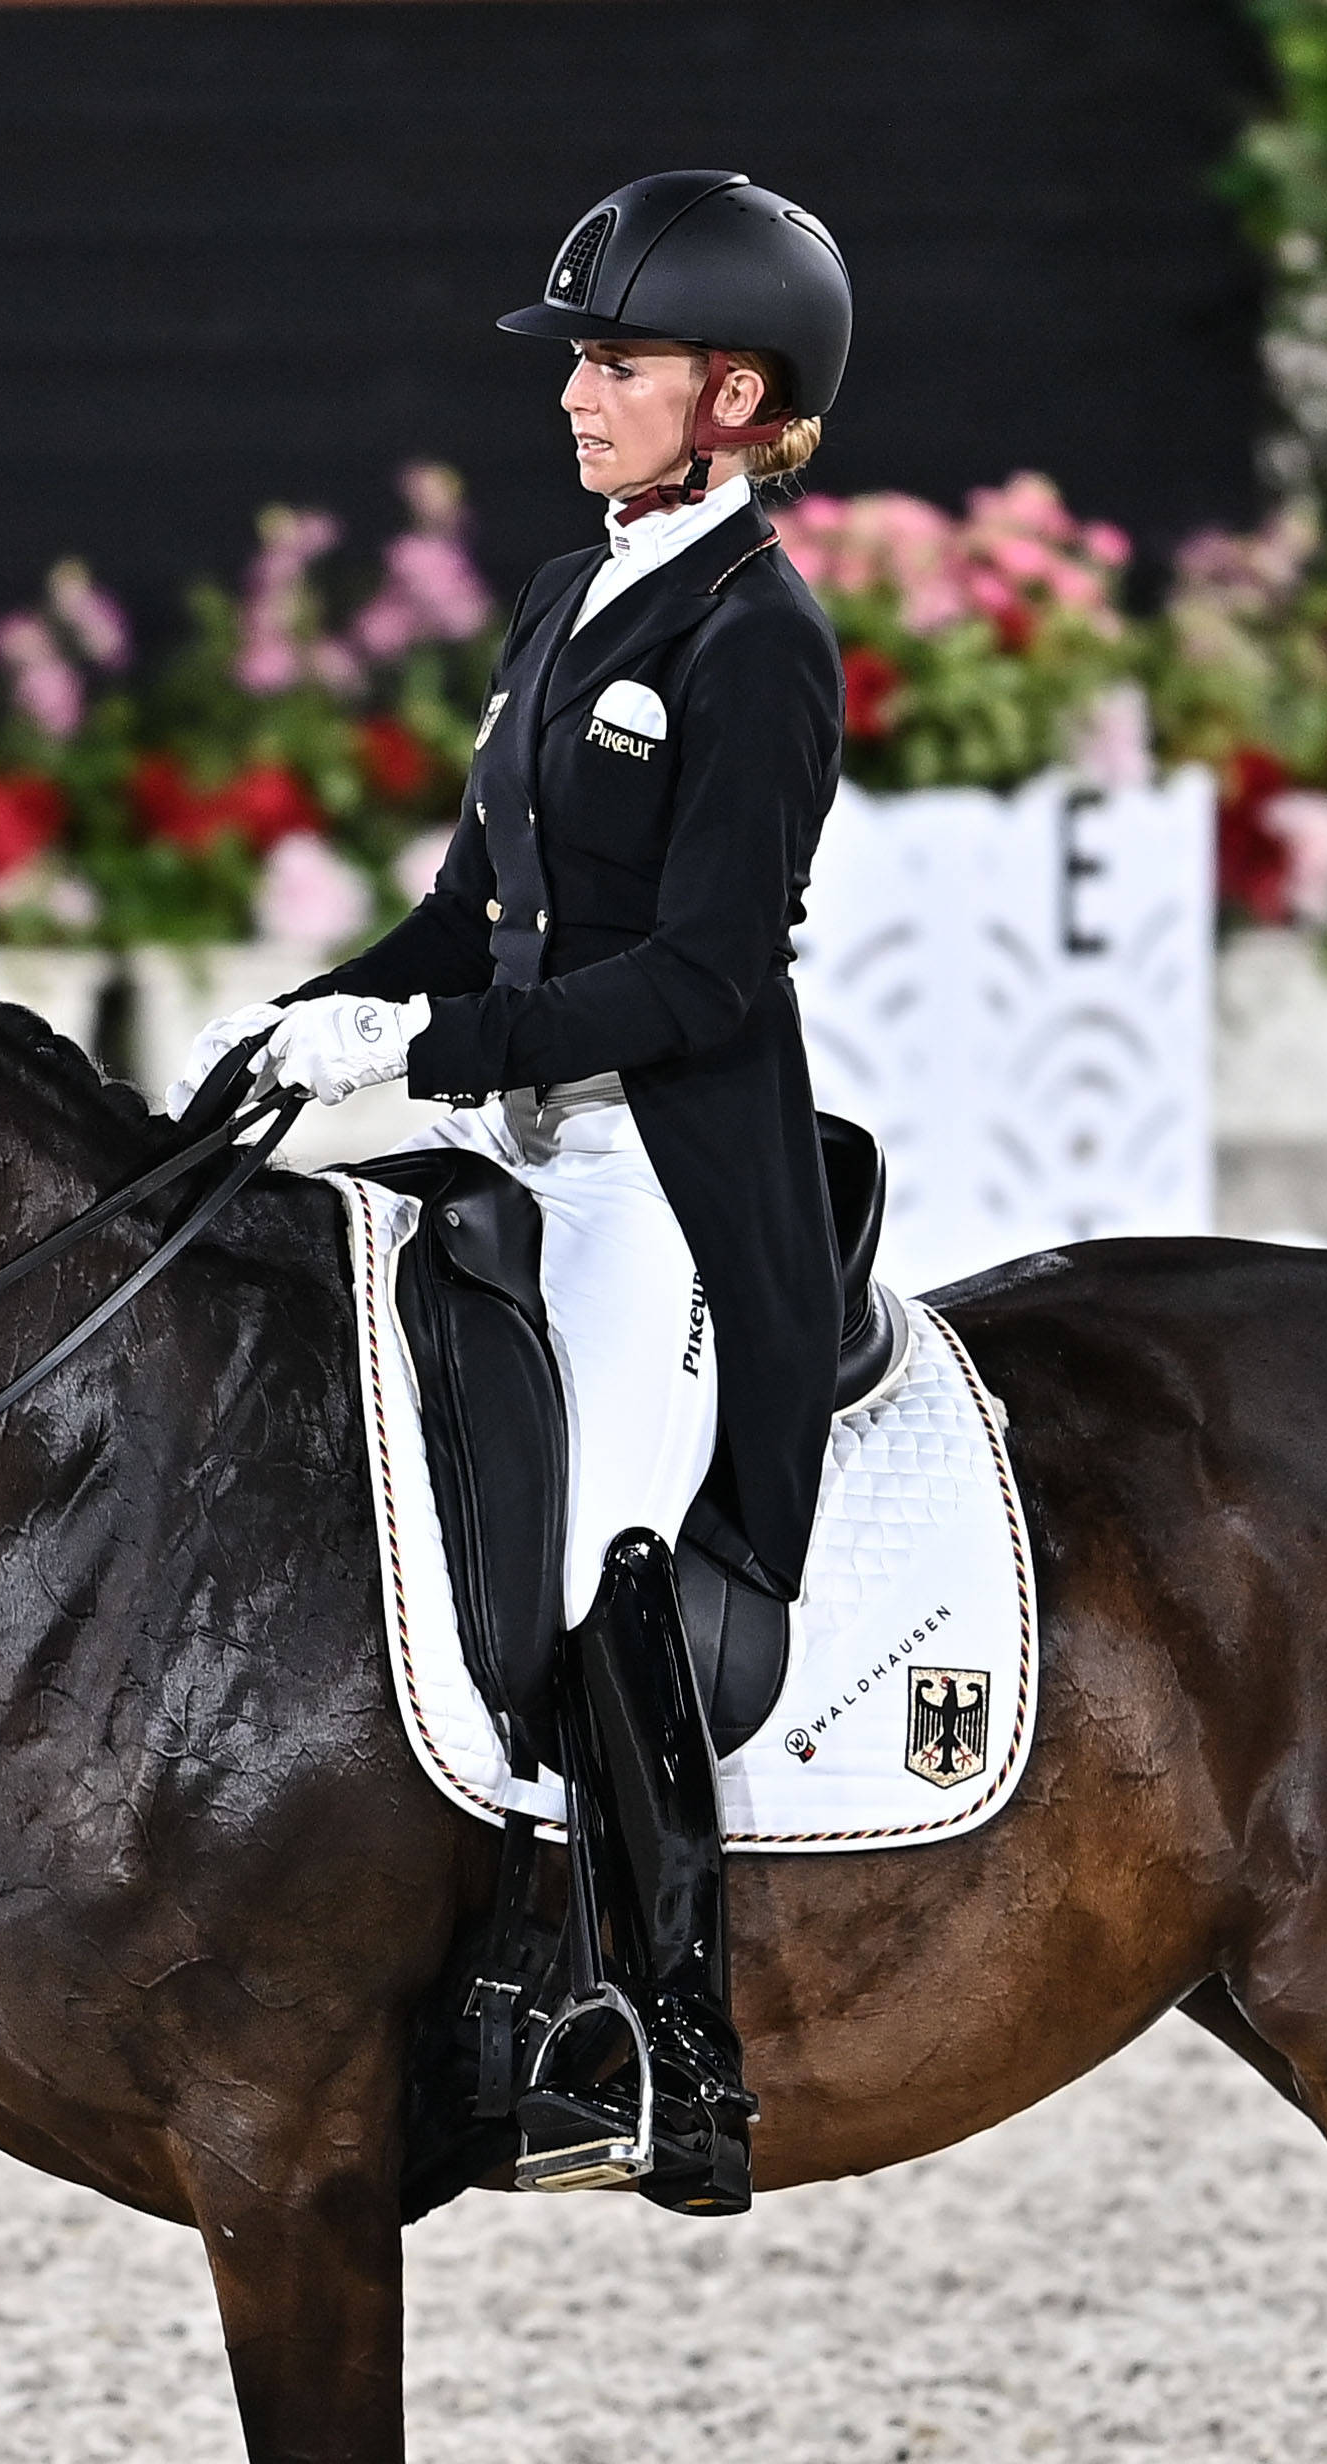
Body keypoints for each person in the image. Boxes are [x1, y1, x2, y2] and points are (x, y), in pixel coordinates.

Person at [198, 170, 853, 2219]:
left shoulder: (762, 637)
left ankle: (657, 2042)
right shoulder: (572, 603)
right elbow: (472, 911)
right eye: (578, 360)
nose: (576, 393)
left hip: (665, 1180)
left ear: (734, 394)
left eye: (617, 362)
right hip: (519, 1144)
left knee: (593, 1559)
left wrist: (436, 1050)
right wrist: (332, 1012)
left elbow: (704, 977)